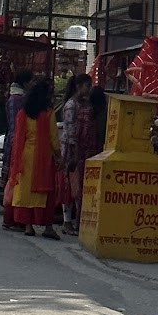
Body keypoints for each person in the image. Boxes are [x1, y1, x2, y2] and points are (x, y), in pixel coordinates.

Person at [8, 79, 61, 238]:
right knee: (45, 192)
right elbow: (53, 138)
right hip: (43, 158)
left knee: (26, 191)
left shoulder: (23, 113)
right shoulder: (49, 113)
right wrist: (59, 156)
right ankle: (48, 227)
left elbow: (18, 138)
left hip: (25, 157)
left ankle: (28, 226)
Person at [59, 72, 99, 233]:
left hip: (86, 151)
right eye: (87, 86)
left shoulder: (85, 104)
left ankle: (79, 222)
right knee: (70, 188)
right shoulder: (71, 106)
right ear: (78, 87)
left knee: (82, 187)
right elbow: (69, 132)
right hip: (73, 152)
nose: (89, 89)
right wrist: (74, 153)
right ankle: (67, 221)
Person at [2, 69, 34, 231]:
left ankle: (14, 217)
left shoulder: (18, 98)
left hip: (17, 143)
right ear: (26, 83)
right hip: (16, 144)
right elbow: (15, 128)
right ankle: (11, 217)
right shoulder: (16, 100)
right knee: (14, 181)